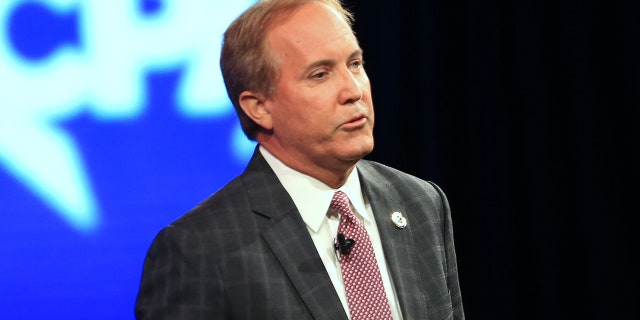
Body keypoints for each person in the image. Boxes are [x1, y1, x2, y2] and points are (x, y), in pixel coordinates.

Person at [135, 0, 464, 319]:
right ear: (259, 108)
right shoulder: (198, 250)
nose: (353, 91)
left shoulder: (421, 203)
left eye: (355, 64)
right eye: (320, 74)